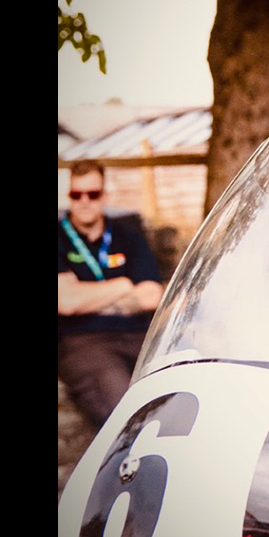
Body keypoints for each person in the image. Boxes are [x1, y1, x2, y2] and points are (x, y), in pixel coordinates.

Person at [57, 162, 166, 428]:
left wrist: (87, 296)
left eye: (92, 194)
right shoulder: (59, 237)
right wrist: (123, 285)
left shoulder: (128, 236)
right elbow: (66, 302)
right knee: (123, 414)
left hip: (140, 336)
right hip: (83, 340)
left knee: (174, 395)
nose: (84, 202)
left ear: (104, 196)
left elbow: (152, 295)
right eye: (76, 195)